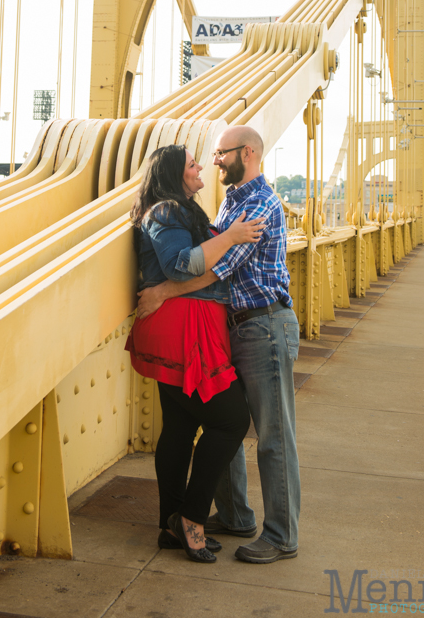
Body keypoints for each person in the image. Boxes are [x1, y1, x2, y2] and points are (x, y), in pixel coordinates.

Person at [138, 125, 300, 565]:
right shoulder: (231, 201)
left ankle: (282, 535)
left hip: (263, 326)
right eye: (204, 157)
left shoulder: (259, 203)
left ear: (246, 153)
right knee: (222, 423)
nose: (214, 161)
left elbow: (216, 268)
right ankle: (234, 515)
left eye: (220, 154)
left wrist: (162, 293)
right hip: (234, 327)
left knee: (271, 436)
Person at [126, 143, 263, 563]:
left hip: (187, 322)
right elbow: (180, 265)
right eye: (191, 163)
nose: (201, 165)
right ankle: (191, 518)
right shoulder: (165, 212)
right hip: (183, 326)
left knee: (182, 425)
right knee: (231, 420)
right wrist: (233, 237)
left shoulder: (175, 209)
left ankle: (171, 523)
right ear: (173, 174)